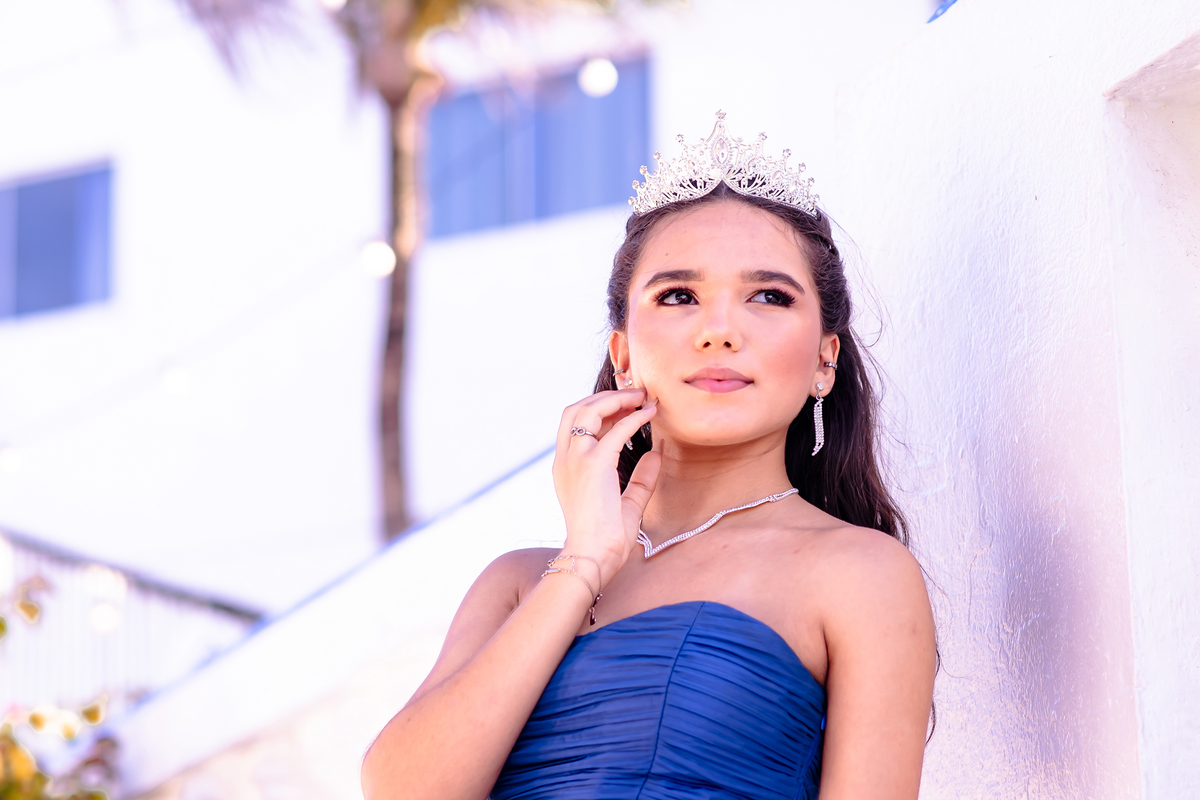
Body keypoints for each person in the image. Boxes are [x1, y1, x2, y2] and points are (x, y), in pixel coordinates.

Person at [361, 112, 936, 800]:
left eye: (768, 296)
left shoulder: (857, 573)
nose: (720, 330)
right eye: (679, 296)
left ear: (824, 358)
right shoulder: (518, 583)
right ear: (624, 354)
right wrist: (582, 564)